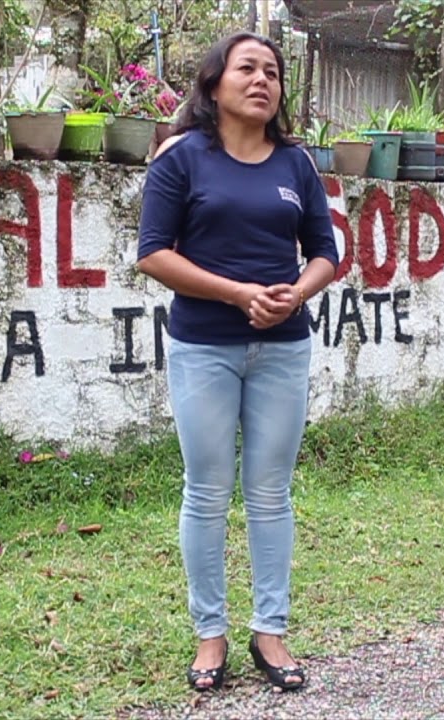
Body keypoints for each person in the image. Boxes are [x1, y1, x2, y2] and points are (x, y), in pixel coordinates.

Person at [136, 32, 339, 692]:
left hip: (284, 348)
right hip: (204, 346)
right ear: (215, 82)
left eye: (273, 72)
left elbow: (325, 253)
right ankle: (210, 635)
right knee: (207, 490)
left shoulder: (296, 165)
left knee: (271, 493)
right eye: (247, 68)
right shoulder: (181, 159)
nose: (262, 80)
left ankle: (270, 634)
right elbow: (153, 254)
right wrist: (238, 293)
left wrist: (295, 296)